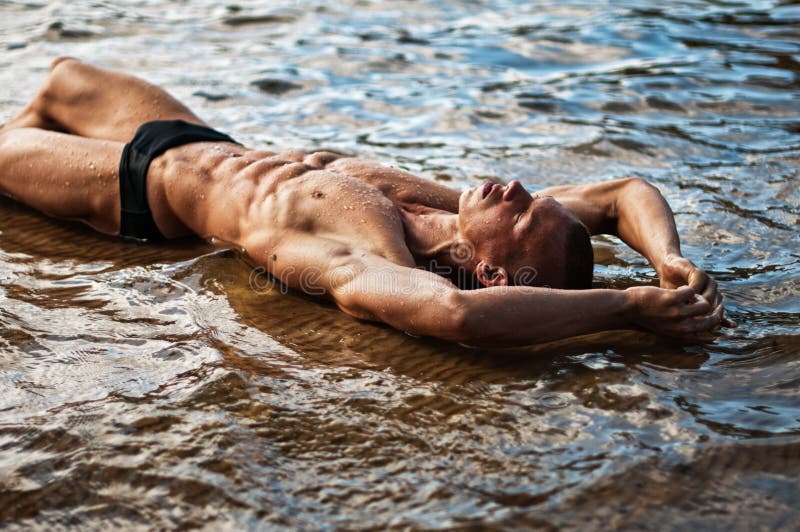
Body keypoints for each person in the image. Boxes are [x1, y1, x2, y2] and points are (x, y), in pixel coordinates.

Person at [0, 57, 733, 347]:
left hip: (140, 188)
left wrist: (629, 306)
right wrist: (669, 262)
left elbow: (457, 317)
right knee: (63, 77)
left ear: (499, 274)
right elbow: (621, 192)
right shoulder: (458, 210)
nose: (517, 190)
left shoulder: (375, 263)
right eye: (533, 198)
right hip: (203, 138)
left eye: (524, 216)